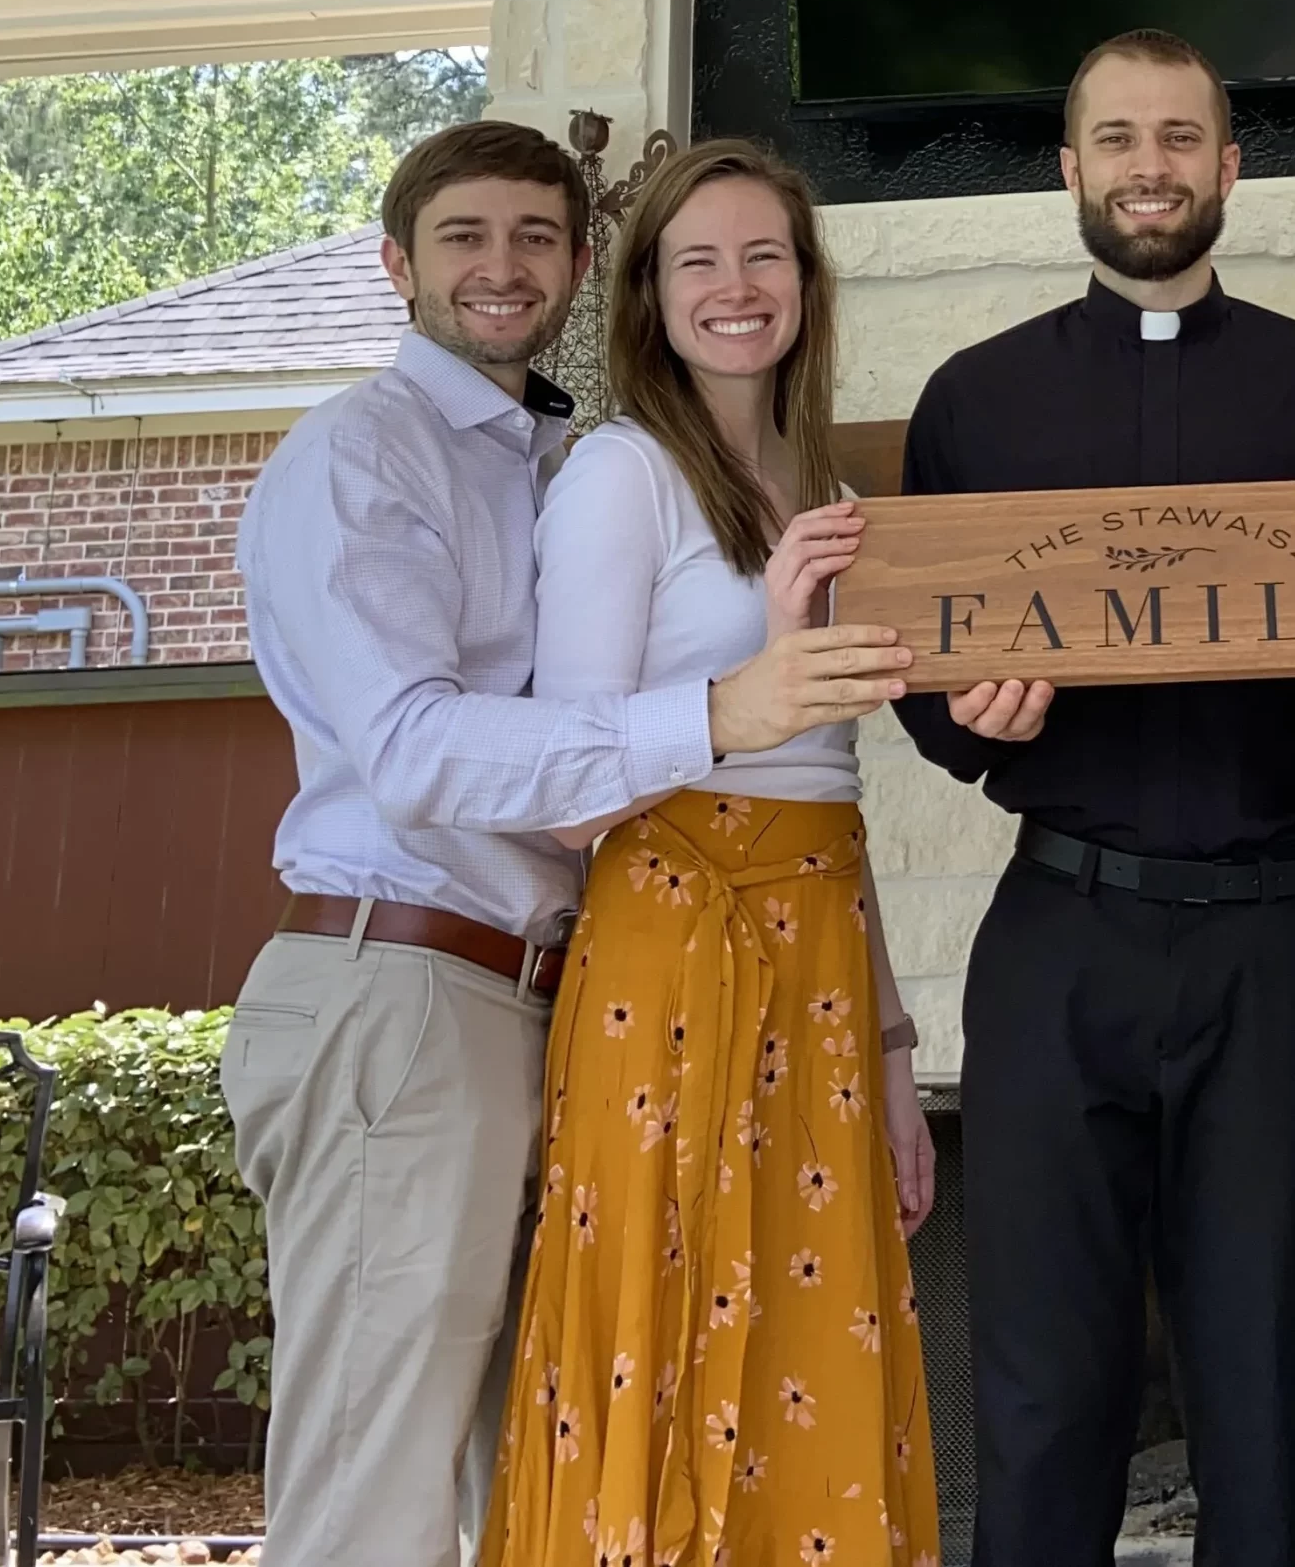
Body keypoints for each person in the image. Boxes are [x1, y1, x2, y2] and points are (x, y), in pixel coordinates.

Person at [222, 121, 911, 1567]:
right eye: (465, 235)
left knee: (522, 1458)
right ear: (397, 261)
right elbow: (415, 749)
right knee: (375, 1484)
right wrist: (727, 705)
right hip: (402, 983)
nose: (503, 265)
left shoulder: (540, 452)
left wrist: (893, 1042)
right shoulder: (369, 453)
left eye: (536, 235)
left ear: (583, 265)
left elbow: (800, 775)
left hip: (535, 985)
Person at [895, 29, 1295, 1567]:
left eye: (1180, 136)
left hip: (1273, 942)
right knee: (1045, 1390)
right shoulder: (973, 401)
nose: (1149, 165)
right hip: (1061, 929)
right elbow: (936, 687)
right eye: (1116, 136)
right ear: (1068, 169)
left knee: (1262, 1392)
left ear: (1229, 166)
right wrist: (965, 717)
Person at [482, 139, 941, 1567]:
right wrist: (746, 698)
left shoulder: (823, 473)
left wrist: (894, 1044)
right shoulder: (621, 473)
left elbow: (833, 785)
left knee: (817, 1332)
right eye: (700, 260)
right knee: (669, 1325)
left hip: (818, 948)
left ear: (805, 282)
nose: (736, 288)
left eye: (764, 256)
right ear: (650, 296)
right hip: (672, 946)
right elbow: (565, 773)